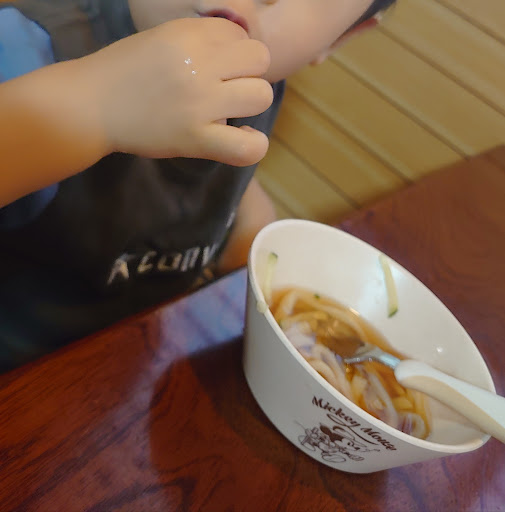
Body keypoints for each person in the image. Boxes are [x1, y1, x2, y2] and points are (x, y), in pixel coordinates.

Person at [0, 0, 396, 371]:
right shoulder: (26, 49)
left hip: (138, 360)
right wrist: (96, 107)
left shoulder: (250, 83)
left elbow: (219, 187)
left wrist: (250, 232)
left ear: (339, 38)